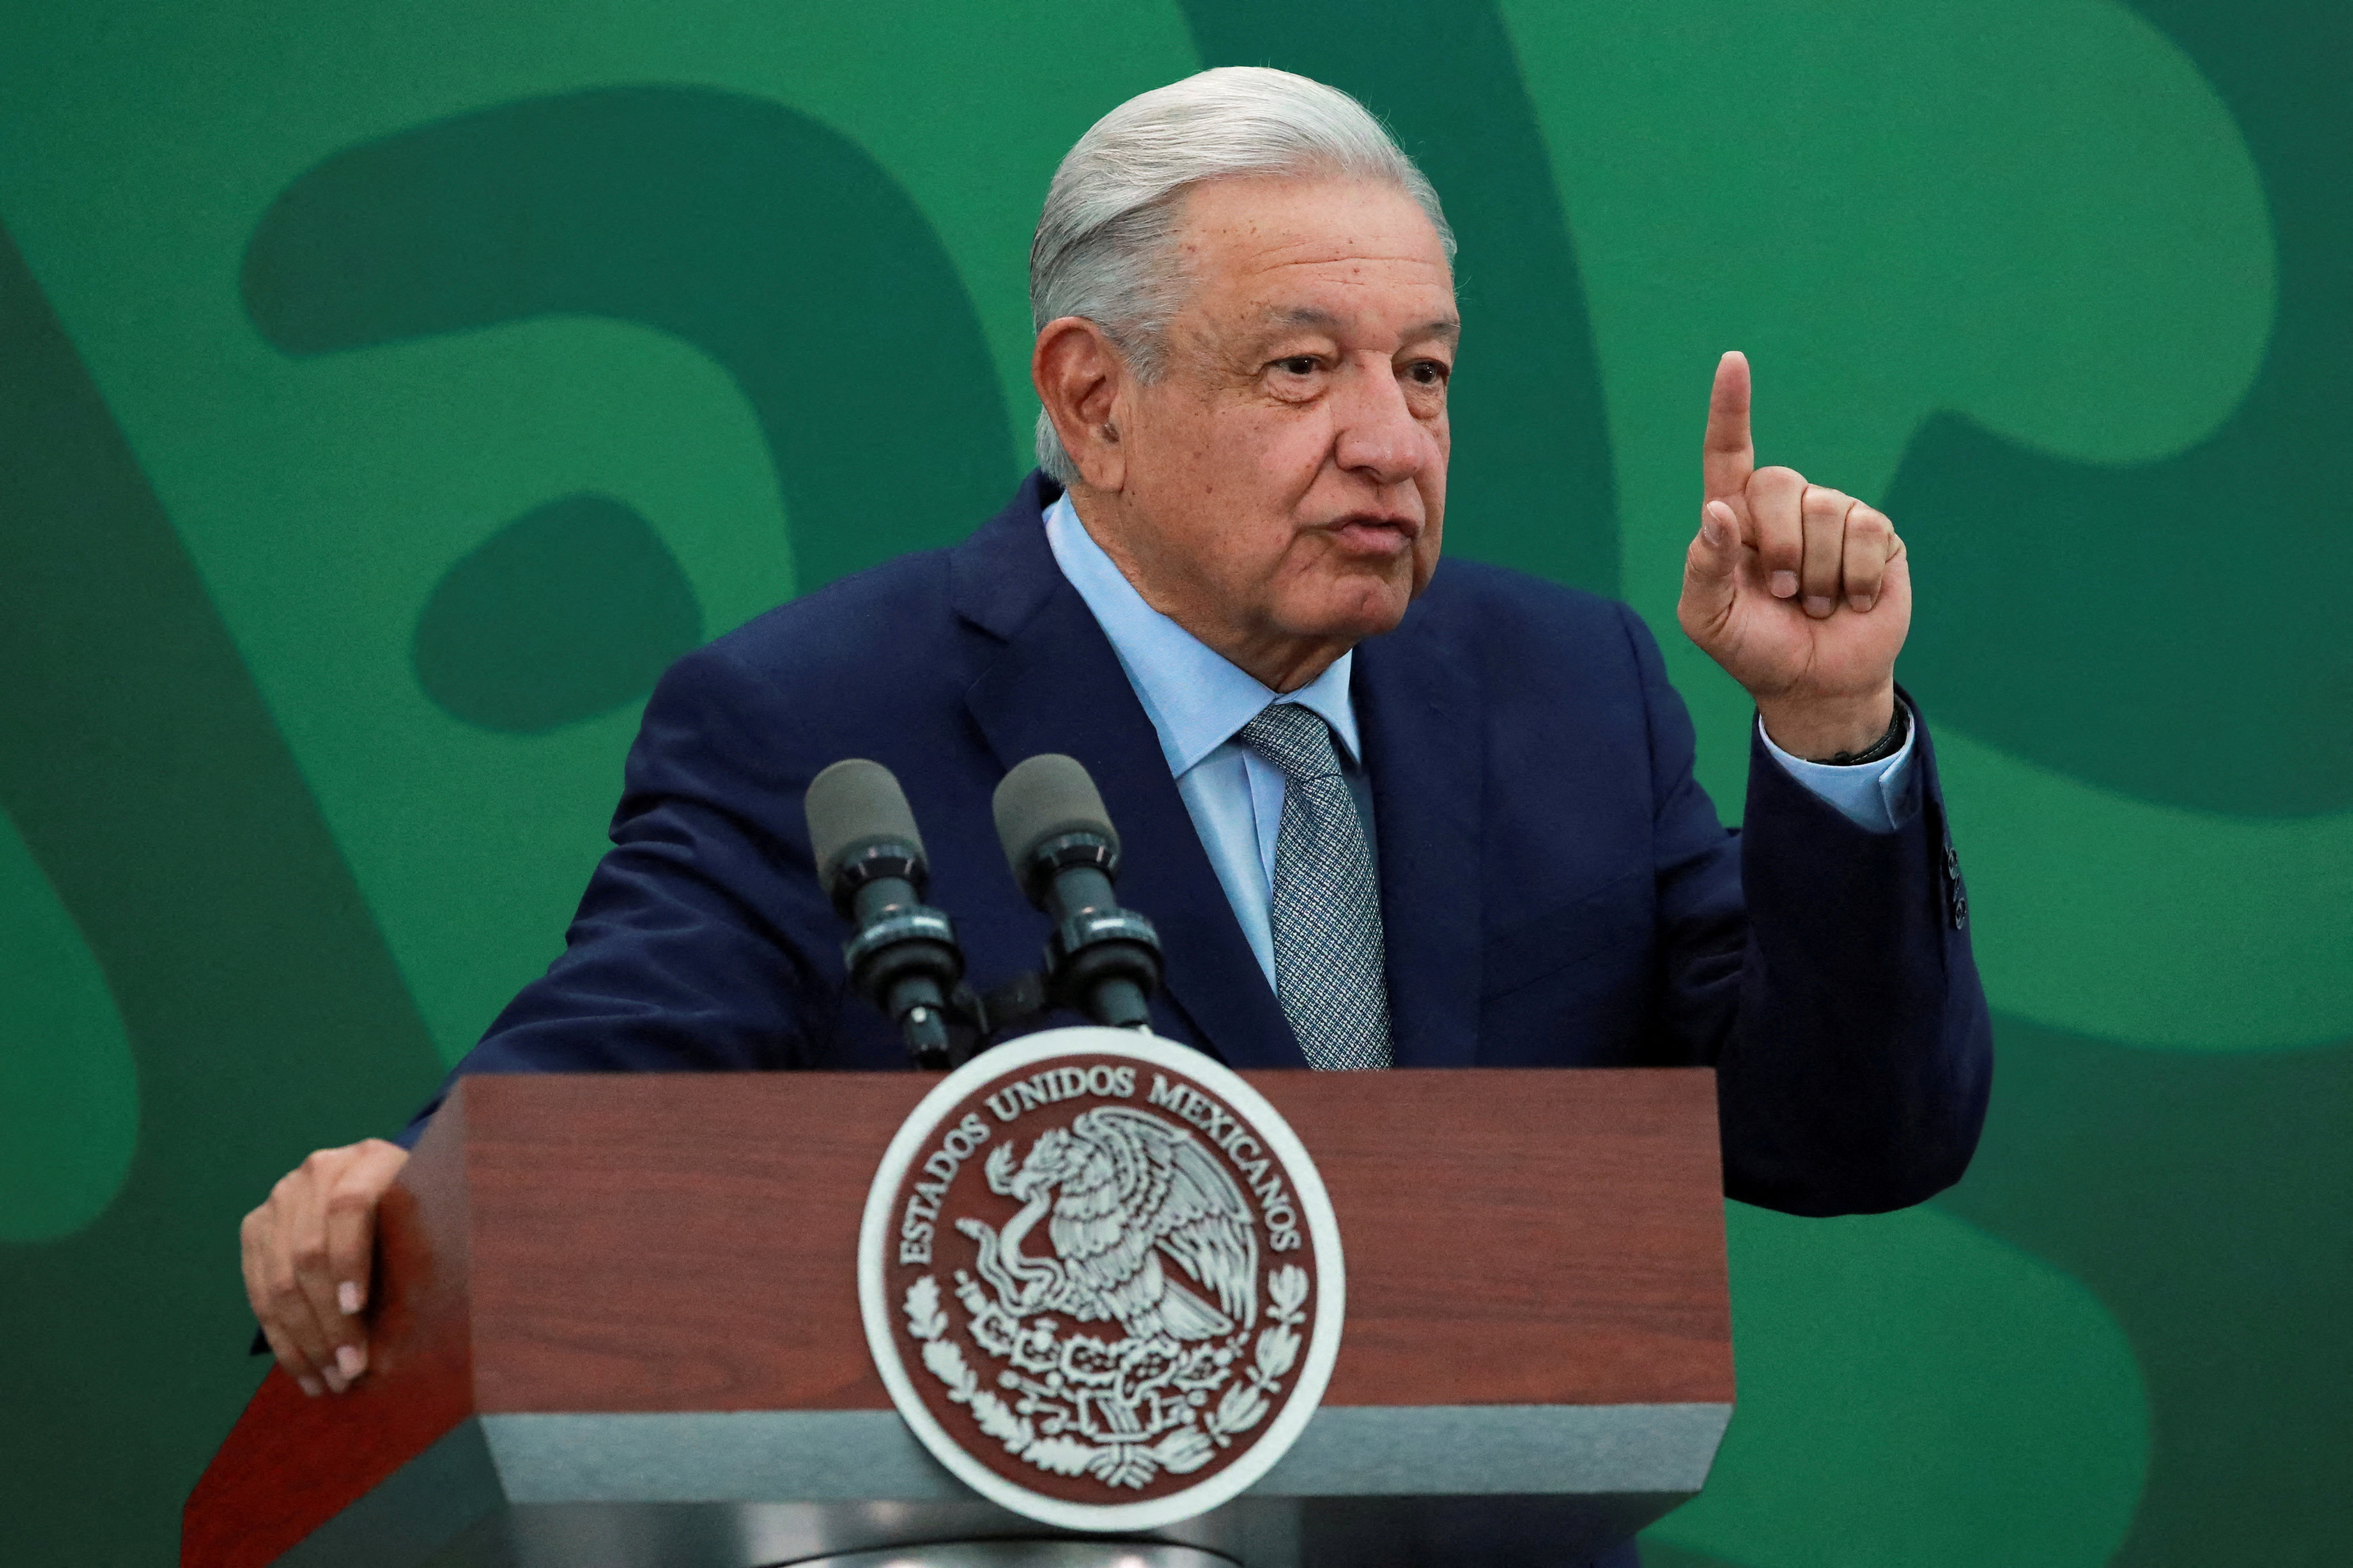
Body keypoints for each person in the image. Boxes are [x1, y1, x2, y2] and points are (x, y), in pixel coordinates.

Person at [241, 69, 1990, 1558]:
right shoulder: (819, 717)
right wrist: (402, 1191)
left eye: (1428, 373)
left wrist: (1828, 724)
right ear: (1095, 399)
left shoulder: (1567, 684)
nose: (1393, 442)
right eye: (1305, 370)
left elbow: (1849, 1133)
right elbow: (597, 1086)